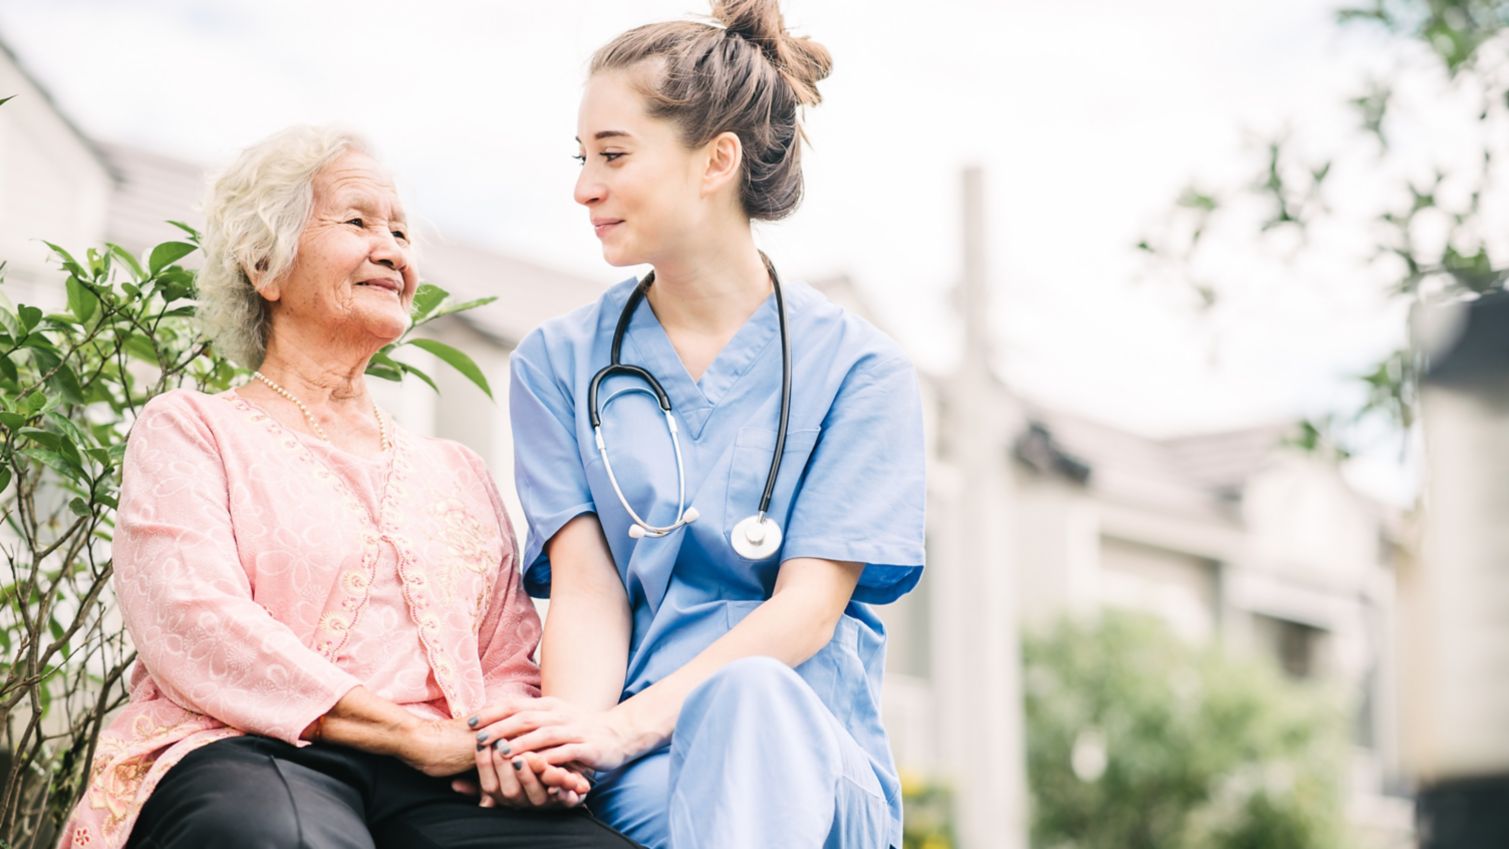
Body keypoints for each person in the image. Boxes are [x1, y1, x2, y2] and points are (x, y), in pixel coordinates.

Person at [60, 126, 636, 849]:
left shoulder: (457, 468)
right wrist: (408, 734)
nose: (392, 248)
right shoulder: (195, 428)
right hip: (251, 748)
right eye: (358, 221)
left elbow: (507, 659)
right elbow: (195, 617)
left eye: (399, 230)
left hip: (447, 774)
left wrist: (508, 746)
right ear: (264, 265)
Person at [482, 2, 927, 846]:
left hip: (813, 771)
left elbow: (805, 612)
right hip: (644, 771)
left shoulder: (862, 373)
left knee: (749, 694)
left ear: (715, 160)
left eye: (613, 155)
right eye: (583, 159)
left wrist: (622, 727)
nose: (584, 187)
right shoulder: (555, 363)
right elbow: (587, 590)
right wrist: (568, 746)